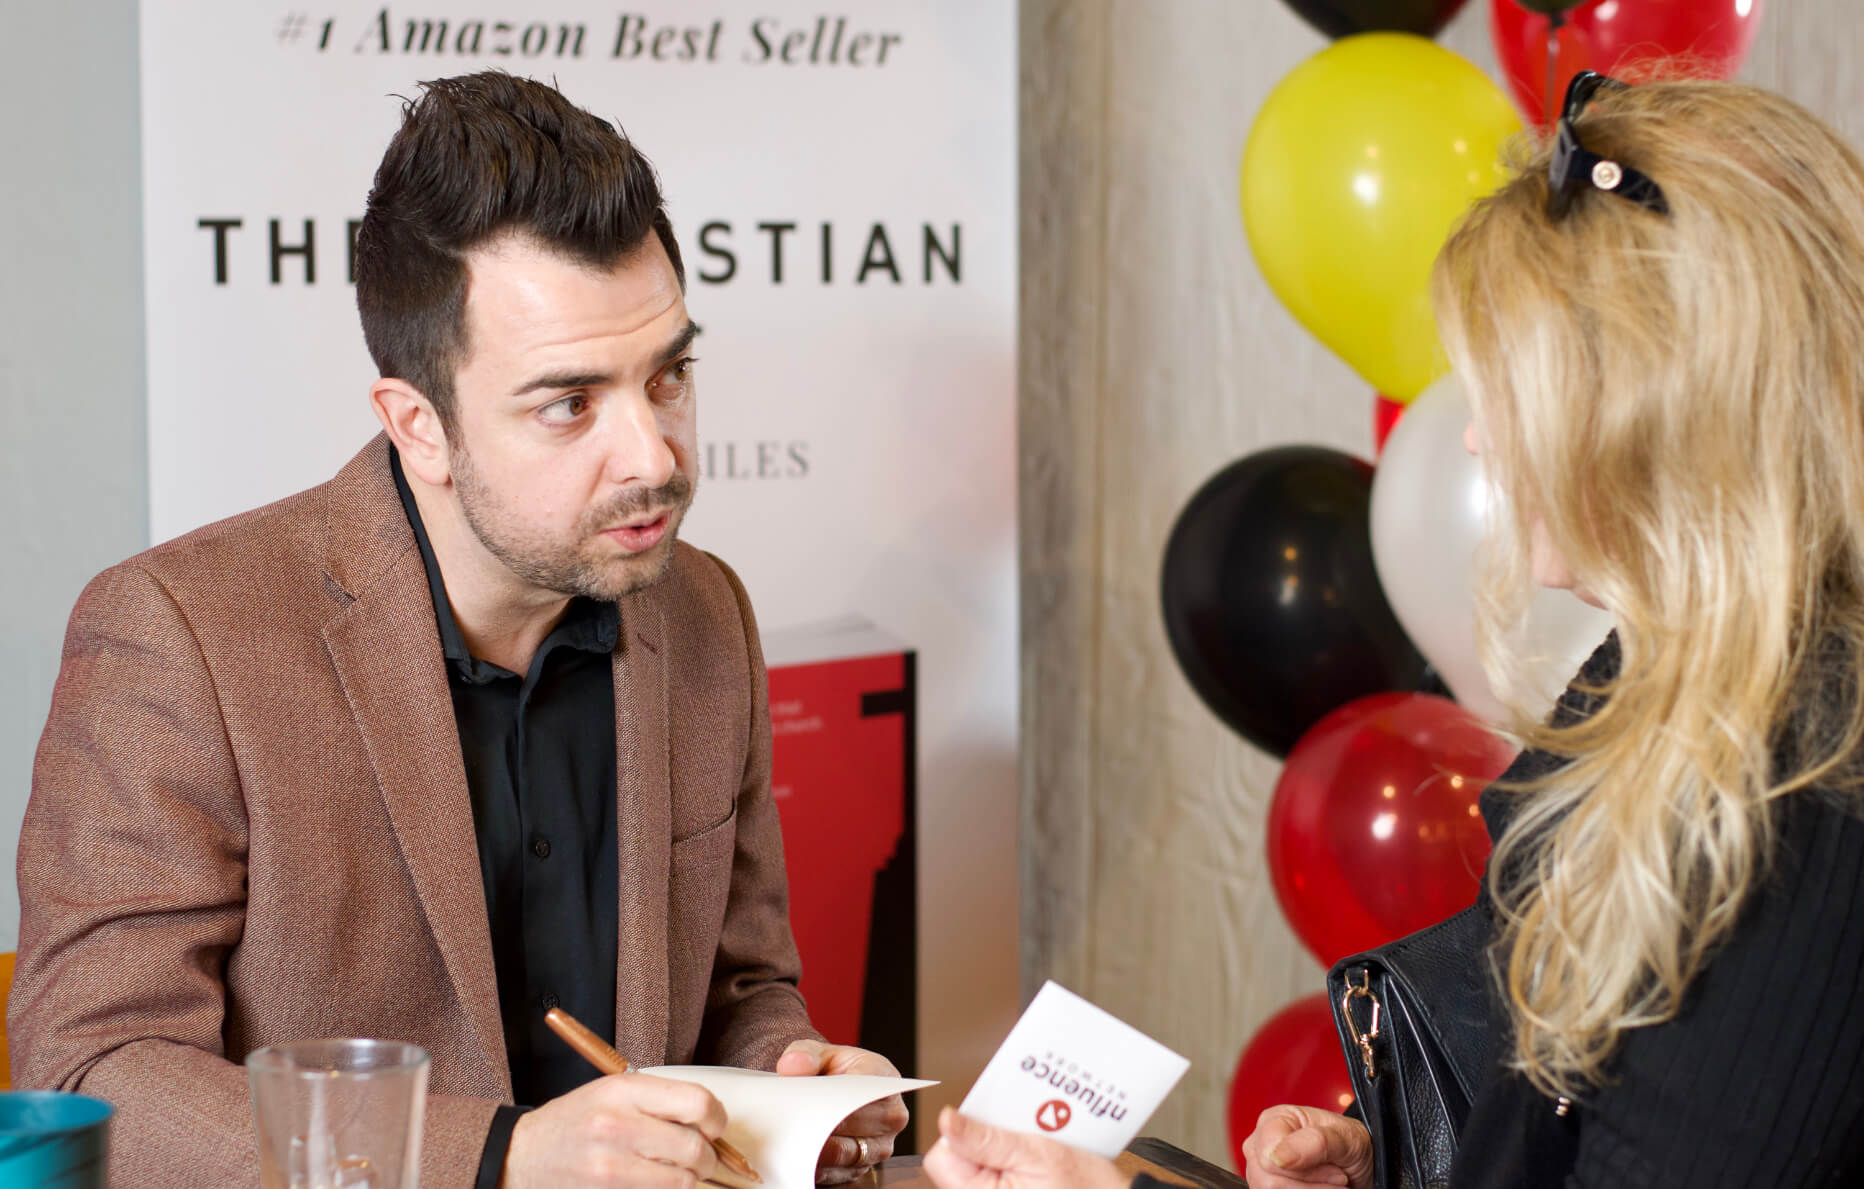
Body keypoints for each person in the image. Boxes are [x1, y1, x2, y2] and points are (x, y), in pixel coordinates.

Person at [923, 77, 1864, 1189]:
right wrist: (1417, 1160)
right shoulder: (1654, 674)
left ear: (1657, 413)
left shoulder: (1809, 797)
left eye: (1509, 388)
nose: (1474, 439)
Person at [11, 70, 907, 1188]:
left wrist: (791, 1080)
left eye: (669, 375)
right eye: (569, 403)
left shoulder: (704, 611)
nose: (655, 457)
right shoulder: (179, 634)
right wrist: (501, 1155)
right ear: (417, 426)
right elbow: (96, 1066)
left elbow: (741, 987)